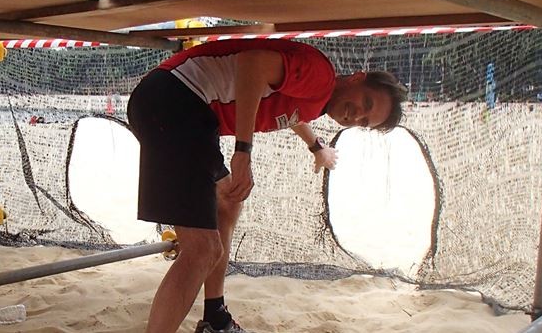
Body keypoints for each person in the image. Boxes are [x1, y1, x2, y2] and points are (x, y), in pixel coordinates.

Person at [126, 39, 408, 333]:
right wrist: (243, 151)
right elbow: (253, 63)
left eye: (364, 122)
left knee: (229, 200)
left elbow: (293, 114)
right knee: (202, 249)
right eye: (366, 104)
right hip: (176, 101)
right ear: (357, 78)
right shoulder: (321, 76)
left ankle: (216, 316)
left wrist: (316, 146)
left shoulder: (317, 99)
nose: (356, 116)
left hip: (181, 108)